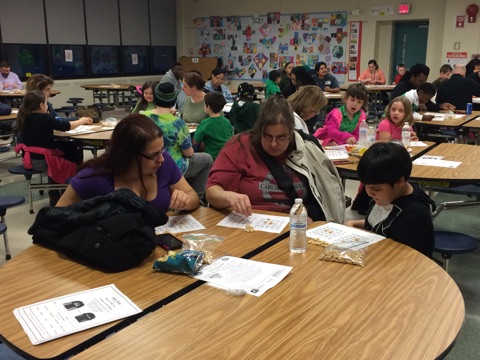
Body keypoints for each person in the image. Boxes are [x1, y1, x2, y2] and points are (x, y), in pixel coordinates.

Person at [206, 95, 345, 223]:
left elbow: (323, 198)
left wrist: (311, 217)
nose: (273, 144)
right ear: (259, 130)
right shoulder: (239, 146)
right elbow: (212, 192)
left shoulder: (306, 148)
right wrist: (228, 196)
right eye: (267, 136)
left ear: (291, 133)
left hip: (294, 224)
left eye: (281, 137)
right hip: (249, 224)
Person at [56, 114, 200, 213]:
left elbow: (192, 196)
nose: (161, 158)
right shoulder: (92, 177)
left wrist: (185, 200)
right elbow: (54, 218)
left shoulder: (164, 163)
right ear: (128, 155)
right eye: (153, 155)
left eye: (162, 150)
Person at [345, 142, 436, 258]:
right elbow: (382, 222)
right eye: (366, 186)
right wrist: (353, 223)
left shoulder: (414, 215)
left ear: (399, 182)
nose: (369, 193)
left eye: (376, 189)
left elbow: (397, 257)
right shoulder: (388, 196)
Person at [16, 90, 93, 205]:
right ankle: (70, 190)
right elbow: (66, 126)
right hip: (43, 161)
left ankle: (55, 194)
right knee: (73, 151)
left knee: (64, 148)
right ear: (41, 105)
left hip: (29, 159)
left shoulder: (24, 118)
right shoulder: (43, 118)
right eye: (46, 103)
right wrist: (82, 120)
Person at [142, 82, 213, 199]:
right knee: (207, 159)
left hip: (146, 163)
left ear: (155, 97)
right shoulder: (177, 123)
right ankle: (196, 198)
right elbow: (188, 153)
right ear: (173, 100)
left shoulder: (143, 116)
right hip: (172, 165)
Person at [390, 63, 454, 112]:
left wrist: (440, 106)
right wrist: (416, 107)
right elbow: (394, 107)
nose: (422, 84)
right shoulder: (402, 88)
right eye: (420, 81)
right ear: (413, 76)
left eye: (424, 81)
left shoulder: (419, 88)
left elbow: (427, 103)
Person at [193, 92, 233, 159]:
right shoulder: (227, 121)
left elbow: (195, 141)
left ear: (208, 107)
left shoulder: (205, 123)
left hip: (212, 158)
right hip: (226, 156)